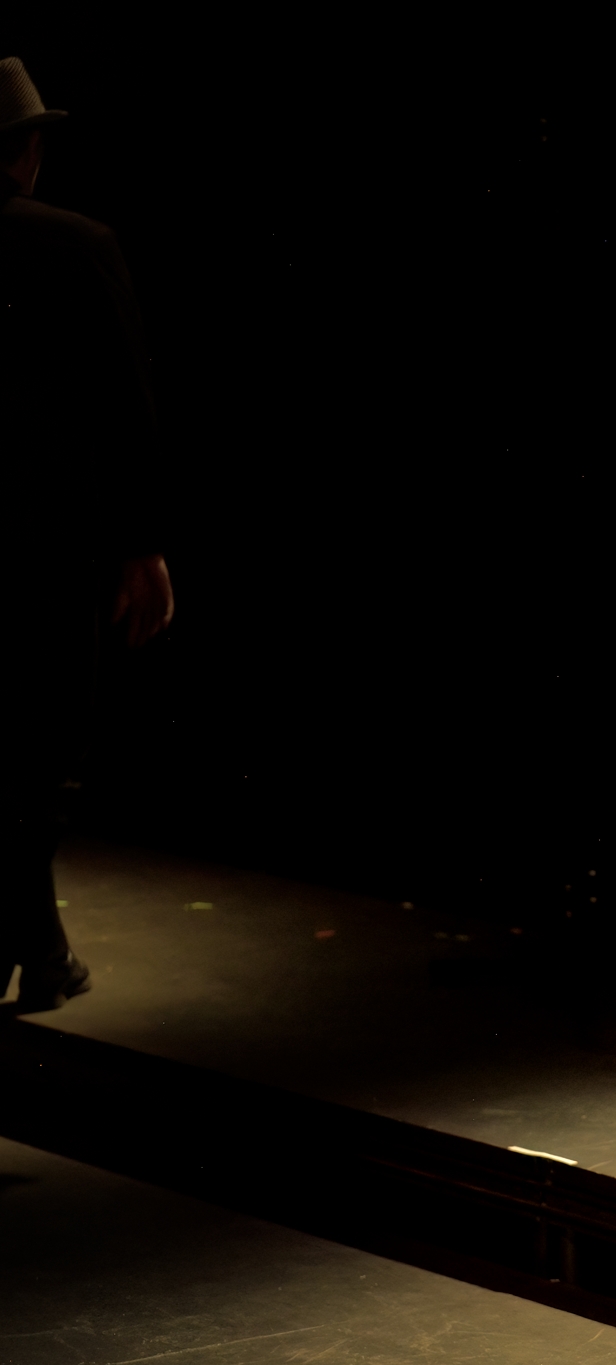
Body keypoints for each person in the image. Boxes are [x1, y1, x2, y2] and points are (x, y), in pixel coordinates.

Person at [0, 56, 174, 1012]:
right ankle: (18, 948)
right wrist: (142, 546)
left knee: (11, 761)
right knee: (43, 755)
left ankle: (43, 947)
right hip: (49, 550)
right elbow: (126, 410)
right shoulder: (77, 244)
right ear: (25, 151)